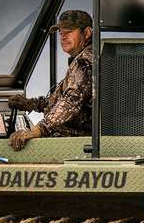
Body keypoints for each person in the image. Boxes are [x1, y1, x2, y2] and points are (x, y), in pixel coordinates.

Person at [7, 10, 94, 150]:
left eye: (69, 31)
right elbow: (61, 99)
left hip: (79, 142)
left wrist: (38, 129)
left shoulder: (85, 62)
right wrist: (32, 104)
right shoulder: (82, 58)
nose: (63, 37)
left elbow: (71, 101)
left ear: (87, 32)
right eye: (61, 32)